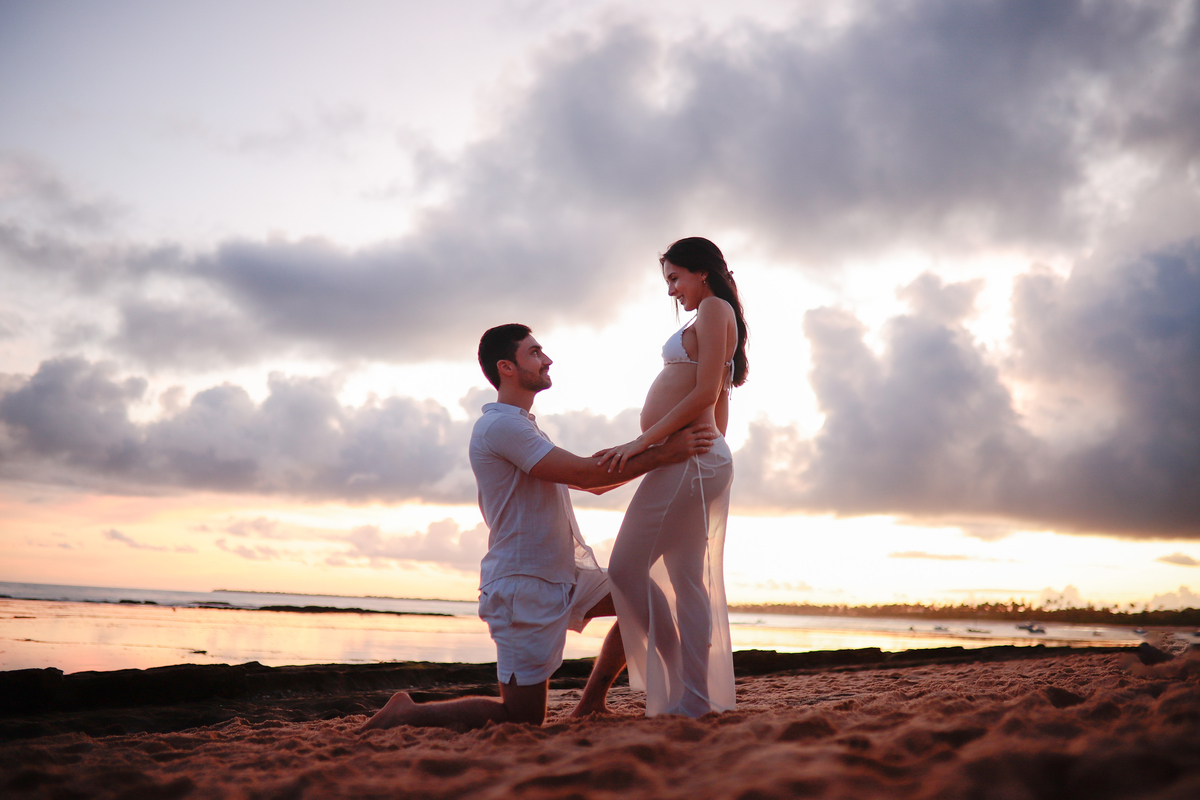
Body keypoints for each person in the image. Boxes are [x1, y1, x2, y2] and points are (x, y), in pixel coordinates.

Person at [360, 323, 717, 731]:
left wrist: (661, 456)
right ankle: (407, 713)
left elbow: (593, 484)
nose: (546, 359)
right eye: (534, 353)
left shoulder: (524, 426)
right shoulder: (501, 427)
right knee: (523, 718)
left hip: (564, 573)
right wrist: (663, 452)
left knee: (640, 598)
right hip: (522, 586)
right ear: (506, 368)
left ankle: (591, 704)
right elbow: (586, 475)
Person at [596, 236, 748, 717]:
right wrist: (706, 437)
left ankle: (686, 686)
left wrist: (642, 443)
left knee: (624, 568)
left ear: (701, 271)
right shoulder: (713, 315)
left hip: (692, 463)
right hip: (696, 459)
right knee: (686, 578)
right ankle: (695, 699)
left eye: (674, 278)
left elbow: (706, 391)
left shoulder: (714, 309)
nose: (671, 290)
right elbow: (717, 399)